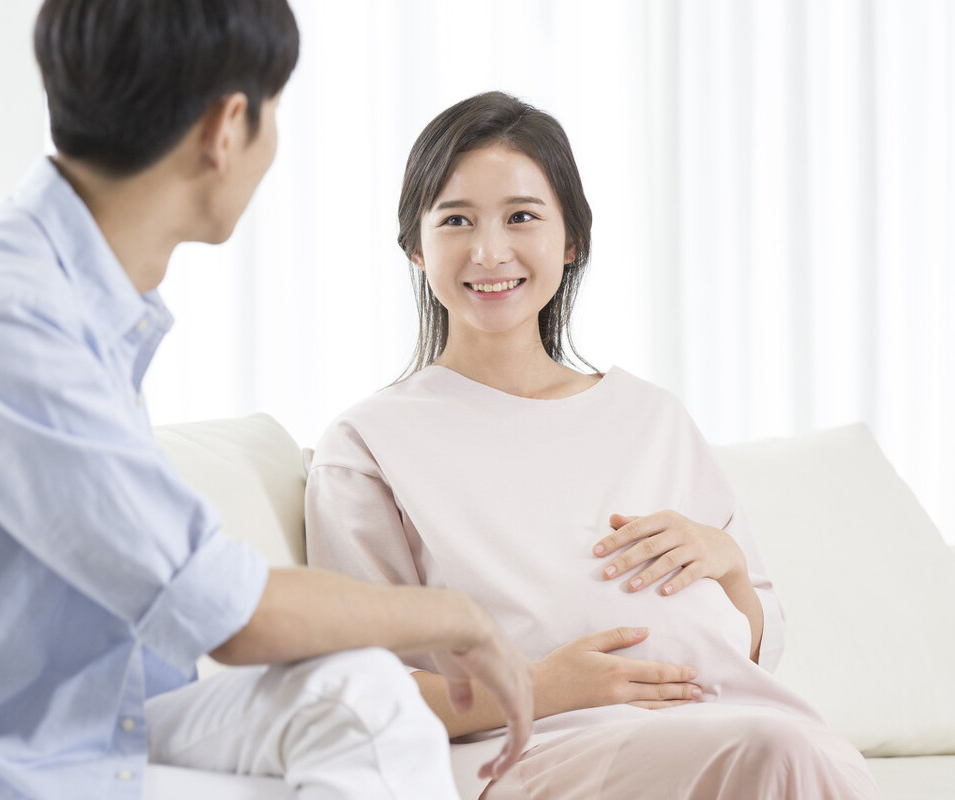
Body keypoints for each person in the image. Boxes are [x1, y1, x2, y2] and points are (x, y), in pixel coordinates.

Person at [0, 4, 536, 798]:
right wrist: (457, 616)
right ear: (228, 127)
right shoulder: (2, 318)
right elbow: (232, 614)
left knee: (365, 700)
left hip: (53, 719)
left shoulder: (63, 287)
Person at [305, 91, 882, 800]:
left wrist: (729, 565)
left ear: (571, 240)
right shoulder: (368, 445)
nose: (490, 251)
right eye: (457, 220)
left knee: (785, 745)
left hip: (738, 724)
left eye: (522, 216)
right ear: (416, 249)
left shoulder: (652, 416)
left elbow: (762, 644)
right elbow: (348, 696)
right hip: (536, 751)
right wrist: (538, 687)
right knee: (779, 751)